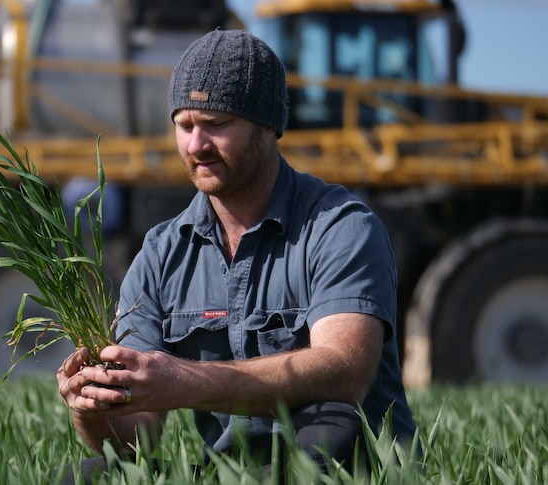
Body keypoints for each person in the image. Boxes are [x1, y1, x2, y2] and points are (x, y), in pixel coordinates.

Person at [57, 29, 417, 480]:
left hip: (343, 467)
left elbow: (343, 373)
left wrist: (182, 381)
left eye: (216, 123)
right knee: (91, 474)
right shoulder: (161, 252)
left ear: (268, 125)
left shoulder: (341, 227)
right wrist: (93, 408)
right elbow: (136, 434)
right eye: (185, 125)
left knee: (330, 428)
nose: (196, 145)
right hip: (229, 473)